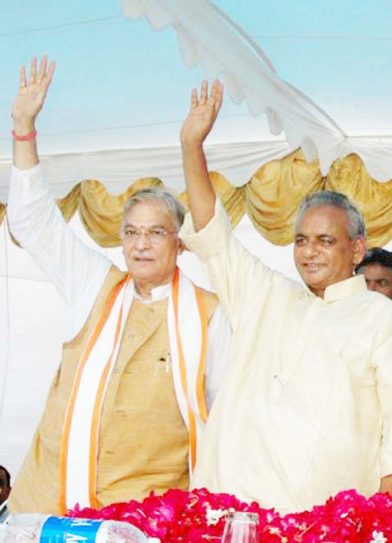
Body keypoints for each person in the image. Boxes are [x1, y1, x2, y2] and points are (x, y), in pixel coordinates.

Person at [178, 80, 392, 512]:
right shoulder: (267, 296)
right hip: (228, 515)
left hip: (322, 523)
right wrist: (191, 146)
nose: (309, 251)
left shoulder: (383, 320)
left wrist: (377, 524)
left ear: (356, 249)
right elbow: (211, 233)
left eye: (325, 241)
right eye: (300, 240)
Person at [7, 57, 230, 515]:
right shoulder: (95, 283)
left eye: (155, 233)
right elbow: (34, 222)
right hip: (48, 500)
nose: (141, 245)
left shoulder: (211, 314)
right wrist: (24, 128)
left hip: (142, 515)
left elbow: (225, 419)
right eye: (131, 232)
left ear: (180, 243)